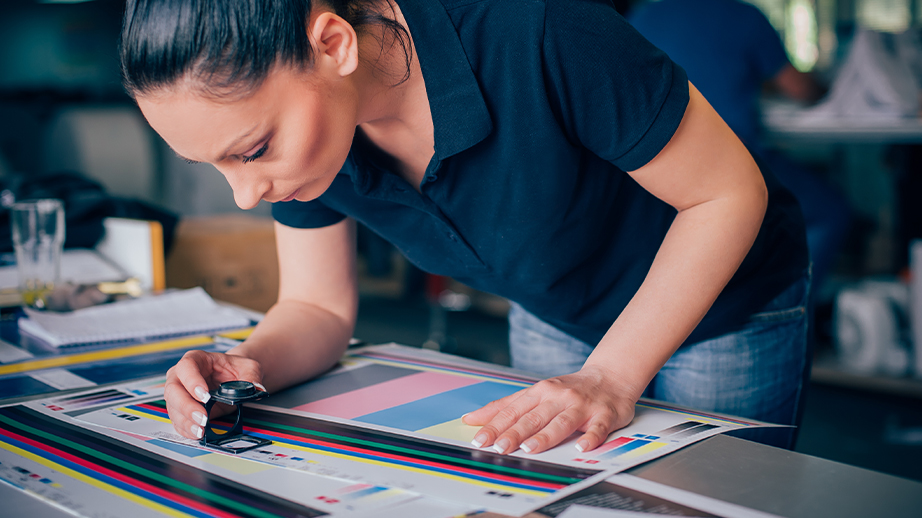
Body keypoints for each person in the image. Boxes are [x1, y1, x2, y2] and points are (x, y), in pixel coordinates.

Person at [121, 0, 810, 452]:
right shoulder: (305, 146)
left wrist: (609, 375)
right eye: (215, 165)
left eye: (251, 151)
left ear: (332, 43)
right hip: (557, 302)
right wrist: (249, 363)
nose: (246, 194)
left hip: (722, 302)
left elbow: (724, 195)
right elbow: (315, 306)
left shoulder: (538, 30)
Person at [629, 0, 851, 297]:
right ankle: (790, 304)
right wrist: (835, 87)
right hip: (734, 163)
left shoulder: (643, 17)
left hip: (660, 169)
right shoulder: (744, 16)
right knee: (831, 213)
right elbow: (800, 89)